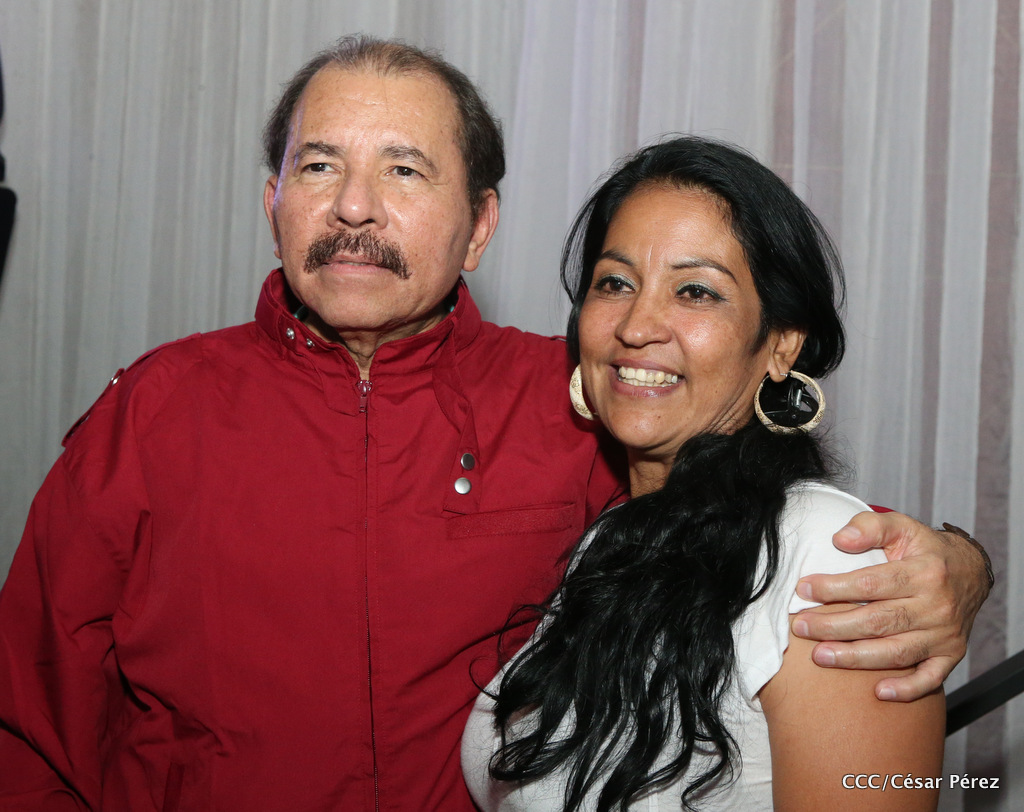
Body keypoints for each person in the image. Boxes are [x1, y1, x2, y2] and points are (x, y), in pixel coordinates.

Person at [0, 36, 985, 812]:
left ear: (479, 226)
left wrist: (954, 562)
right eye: (319, 166)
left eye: (404, 171)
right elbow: (31, 725)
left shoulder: (583, 399)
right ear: (273, 202)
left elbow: (764, 517)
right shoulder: (153, 411)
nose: (353, 207)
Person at [461, 136, 946, 811]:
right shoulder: (612, 543)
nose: (637, 325)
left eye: (695, 291)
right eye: (615, 283)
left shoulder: (829, 560)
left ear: (781, 342)